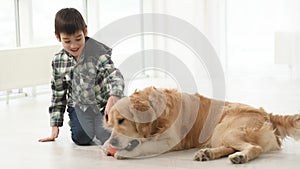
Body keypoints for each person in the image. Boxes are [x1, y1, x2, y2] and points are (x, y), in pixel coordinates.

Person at [38, 8, 124, 145]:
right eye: (67, 41)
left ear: (85, 32)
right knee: (81, 138)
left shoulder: (98, 53)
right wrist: (55, 125)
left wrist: (114, 95)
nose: (73, 45)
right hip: (79, 107)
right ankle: (88, 125)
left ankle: (103, 124)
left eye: (78, 39)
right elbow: (58, 94)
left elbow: (115, 75)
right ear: (57, 37)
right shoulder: (58, 61)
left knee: (106, 136)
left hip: (102, 105)